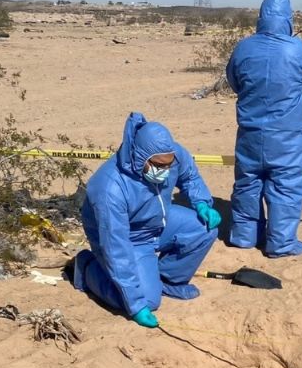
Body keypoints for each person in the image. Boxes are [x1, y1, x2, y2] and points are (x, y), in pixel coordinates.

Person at [71, 112, 222, 328]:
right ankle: (87, 269)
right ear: (141, 157)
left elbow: (190, 176)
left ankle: (169, 280)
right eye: (159, 166)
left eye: (169, 165)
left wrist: (202, 203)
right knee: (147, 301)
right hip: (128, 237)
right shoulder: (110, 188)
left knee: (204, 228)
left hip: (158, 220)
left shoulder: (171, 154)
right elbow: (116, 248)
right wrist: (135, 305)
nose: (165, 171)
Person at [226, 0, 302, 258]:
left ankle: (244, 236)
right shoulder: (297, 49)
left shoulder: (243, 48)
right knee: (286, 187)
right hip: (288, 137)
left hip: (251, 133)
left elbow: (234, 80)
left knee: (248, 182)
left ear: (261, 17)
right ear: (288, 19)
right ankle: (280, 243)